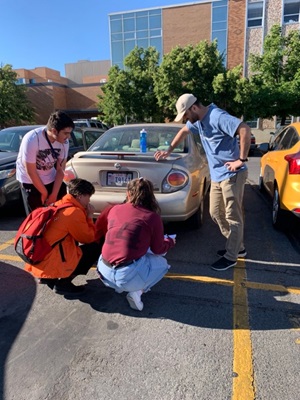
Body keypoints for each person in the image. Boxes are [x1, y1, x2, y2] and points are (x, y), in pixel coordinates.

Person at [155, 93, 251, 271]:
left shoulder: (217, 116)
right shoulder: (197, 121)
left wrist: (241, 160)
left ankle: (232, 256)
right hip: (217, 176)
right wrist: (168, 151)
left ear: (193, 108)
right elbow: (183, 131)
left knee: (233, 216)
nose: (186, 120)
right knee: (215, 213)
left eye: (185, 116)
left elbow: (244, 129)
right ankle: (238, 246)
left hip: (232, 174)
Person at [96, 177, 176, 311]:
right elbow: (158, 249)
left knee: (135, 255)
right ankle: (137, 292)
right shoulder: (152, 217)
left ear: (128, 193)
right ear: (151, 195)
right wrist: (170, 242)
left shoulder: (114, 209)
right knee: (162, 264)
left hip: (103, 271)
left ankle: (120, 286)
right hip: (126, 275)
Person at [25, 178, 101, 295]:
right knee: (94, 248)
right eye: (88, 196)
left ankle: (48, 277)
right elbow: (87, 238)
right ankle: (64, 283)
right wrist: (90, 217)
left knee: (67, 241)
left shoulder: (59, 204)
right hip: (51, 261)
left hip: (39, 258)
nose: (89, 200)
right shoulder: (74, 212)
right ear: (80, 196)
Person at [16, 110, 74, 214]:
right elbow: (31, 171)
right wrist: (44, 192)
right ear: (54, 131)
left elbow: (61, 170)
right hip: (30, 180)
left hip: (50, 176)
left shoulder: (64, 142)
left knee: (60, 211)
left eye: (69, 133)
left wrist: (54, 195)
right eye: (65, 133)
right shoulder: (32, 139)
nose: (68, 137)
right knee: (38, 215)